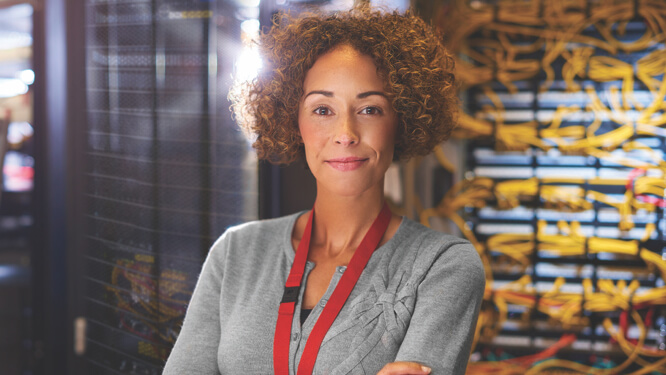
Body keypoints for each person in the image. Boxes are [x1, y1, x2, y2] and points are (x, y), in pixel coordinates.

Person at [163, 7, 485, 375]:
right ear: (291, 120)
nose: (345, 132)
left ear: (402, 119)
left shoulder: (443, 266)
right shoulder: (235, 253)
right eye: (321, 109)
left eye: (369, 109)